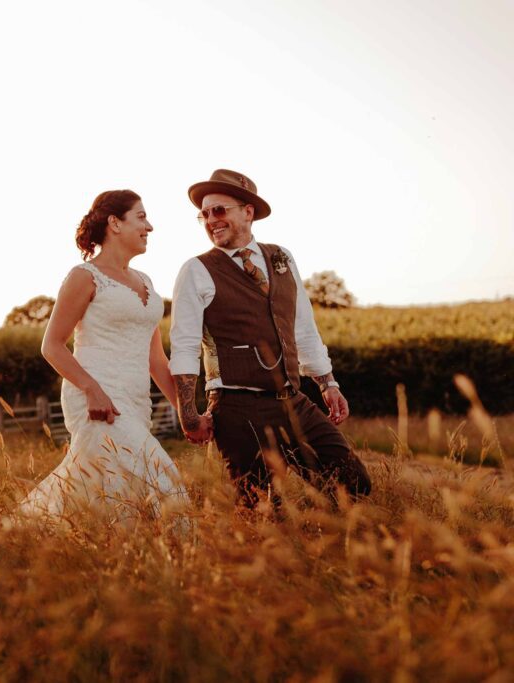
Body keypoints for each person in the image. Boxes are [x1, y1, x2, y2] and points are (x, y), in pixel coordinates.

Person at [168, 169, 372, 507]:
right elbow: (185, 345)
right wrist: (189, 414)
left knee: (352, 484)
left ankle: (321, 545)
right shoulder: (196, 270)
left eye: (219, 210)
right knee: (260, 506)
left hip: (292, 400)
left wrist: (327, 383)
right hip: (236, 405)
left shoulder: (281, 257)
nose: (210, 220)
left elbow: (303, 326)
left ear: (247, 211)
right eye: (203, 214)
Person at [19, 190, 191, 523]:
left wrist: (186, 411)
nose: (149, 226)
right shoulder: (84, 277)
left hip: (135, 401)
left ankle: (63, 543)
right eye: (141, 217)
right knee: (164, 482)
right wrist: (92, 389)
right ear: (114, 223)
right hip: (99, 400)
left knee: (112, 491)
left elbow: (156, 360)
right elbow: (52, 345)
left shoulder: (145, 282)